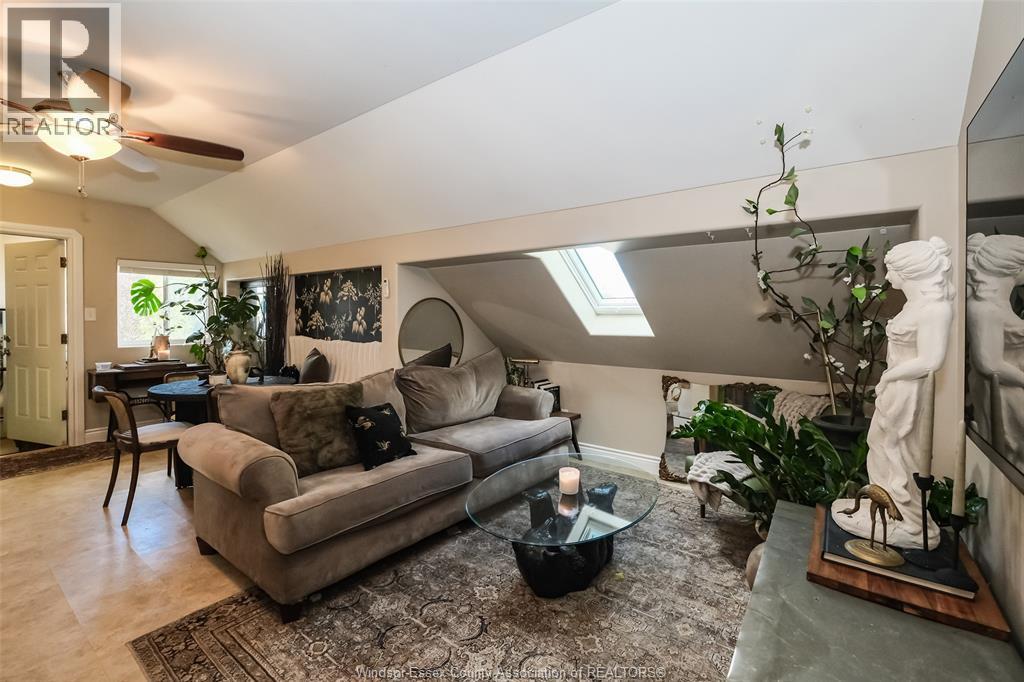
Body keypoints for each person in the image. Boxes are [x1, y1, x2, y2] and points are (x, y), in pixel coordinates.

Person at [831, 237, 954, 549]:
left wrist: (889, 378)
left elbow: (931, 360)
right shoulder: (915, 306)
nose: (887, 277)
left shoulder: (935, 309)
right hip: (894, 386)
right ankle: (885, 505)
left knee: (898, 450)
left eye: (891, 270)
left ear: (909, 272)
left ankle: (907, 518)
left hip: (908, 392)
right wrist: (887, 381)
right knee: (881, 445)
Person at [966, 232, 1024, 471]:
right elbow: (988, 363)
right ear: (1012, 266)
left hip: (1007, 390)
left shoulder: (995, 306)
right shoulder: (985, 309)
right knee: (1012, 452)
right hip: (1004, 394)